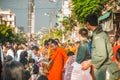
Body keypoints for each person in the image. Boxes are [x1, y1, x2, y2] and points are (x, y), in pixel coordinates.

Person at [82, 14, 113, 80]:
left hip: (103, 69)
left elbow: (102, 55)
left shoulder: (98, 36)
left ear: (88, 23)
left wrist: (89, 63)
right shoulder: (96, 34)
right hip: (101, 67)